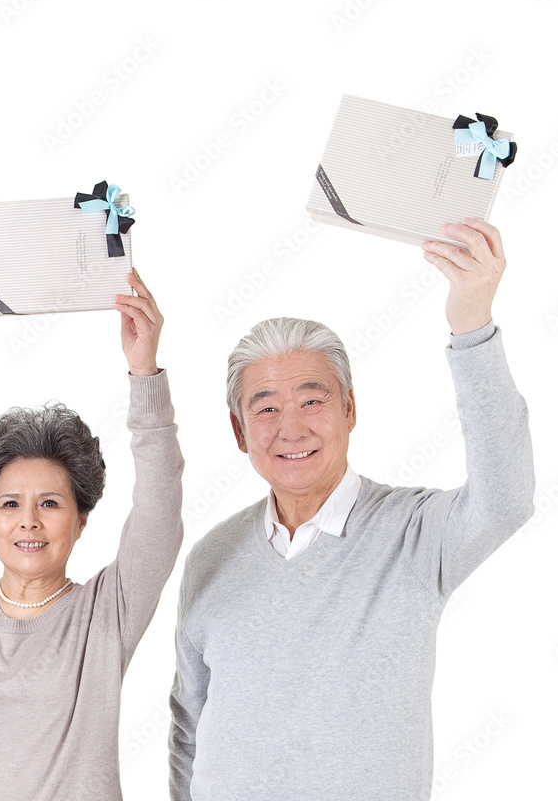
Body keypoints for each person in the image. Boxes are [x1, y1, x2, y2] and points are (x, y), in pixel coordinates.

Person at [168, 218, 535, 801]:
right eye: (266, 409)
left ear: (350, 409)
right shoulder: (212, 554)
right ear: (239, 432)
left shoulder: (413, 534)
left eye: (312, 400)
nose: (291, 428)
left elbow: (506, 497)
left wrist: (471, 325)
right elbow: (189, 725)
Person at [0, 263, 183, 801]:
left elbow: (160, 509)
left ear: (81, 519)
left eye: (50, 503)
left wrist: (144, 374)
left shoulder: (107, 613)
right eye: (10, 504)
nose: (28, 521)